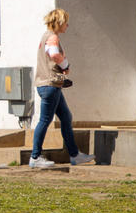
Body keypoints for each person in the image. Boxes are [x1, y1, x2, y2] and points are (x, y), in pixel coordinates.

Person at [29, 9, 94, 168]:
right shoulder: (52, 37)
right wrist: (65, 65)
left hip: (50, 85)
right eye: (65, 22)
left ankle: (75, 155)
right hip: (50, 85)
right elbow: (54, 54)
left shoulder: (45, 36)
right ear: (58, 23)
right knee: (45, 120)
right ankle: (35, 157)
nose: (67, 25)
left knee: (66, 117)